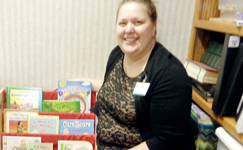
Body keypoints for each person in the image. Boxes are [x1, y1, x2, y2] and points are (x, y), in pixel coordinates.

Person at [75, 0, 195, 149]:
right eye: (123, 23)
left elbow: (166, 141)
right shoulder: (117, 55)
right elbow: (117, 88)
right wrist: (78, 83)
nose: (129, 29)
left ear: (153, 27)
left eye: (138, 22)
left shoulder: (171, 75)